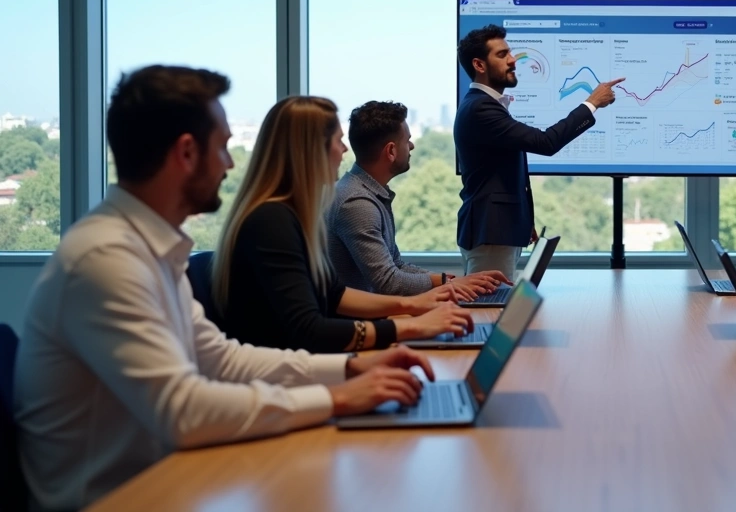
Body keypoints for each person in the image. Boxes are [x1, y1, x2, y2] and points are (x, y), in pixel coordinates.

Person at [14, 66, 438, 511]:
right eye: (222, 147)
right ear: (186, 153)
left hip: (165, 482)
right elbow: (184, 411)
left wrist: (350, 370)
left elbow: (220, 358)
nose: (230, 164)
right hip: (117, 498)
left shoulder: (147, 248)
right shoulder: (105, 259)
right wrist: (336, 397)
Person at [213, 95, 474, 354]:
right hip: (287, 366)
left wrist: (416, 305)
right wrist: (413, 325)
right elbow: (310, 330)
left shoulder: (292, 214)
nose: (345, 150)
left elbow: (335, 294)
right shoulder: (272, 222)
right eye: (338, 141)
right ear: (312, 152)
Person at [454, 24, 621, 275]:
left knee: (498, 297)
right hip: (491, 233)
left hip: (499, 229)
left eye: (510, 53)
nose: (513, 60)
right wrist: (592, 103)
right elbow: (546, 142)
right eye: (502, 55)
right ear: (479, 65)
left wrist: (521, 221)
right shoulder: (481, 108)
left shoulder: (483, 105)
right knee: (491, 299)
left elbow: (499, 175)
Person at [327, 100, 510, 297]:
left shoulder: (367, 192)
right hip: (361, 316)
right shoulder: (357, 203)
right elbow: (388, 282)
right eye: (407, 140)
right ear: (391, 151)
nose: (412, 146)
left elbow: (396, 265)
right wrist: (448, 284)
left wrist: (449, 281)